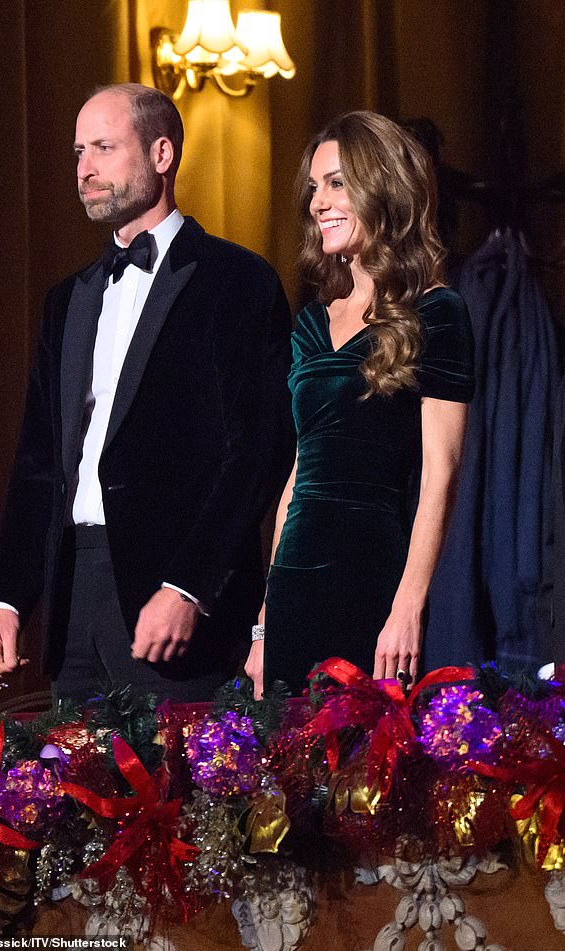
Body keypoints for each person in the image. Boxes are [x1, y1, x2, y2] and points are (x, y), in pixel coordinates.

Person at [0, 83, 293, 704]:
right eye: (77, 152)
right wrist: (8, 596)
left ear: (161, 154)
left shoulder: (237, 280)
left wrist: (189, 586)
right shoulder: (66, 299)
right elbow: (39, 463)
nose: (84, 169)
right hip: (74, 595)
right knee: (73, 793)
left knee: (186, 794)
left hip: (175, 600)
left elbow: (256, 451)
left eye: (102, 147)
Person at [245, 111, 475, 698]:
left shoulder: (437, 312)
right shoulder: (309, 325)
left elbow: (441, 473)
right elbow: (299, 476)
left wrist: (409, 606)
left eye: (338, 182)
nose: (318, 201)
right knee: (288, 781)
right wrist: (263, 626)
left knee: (365, 780)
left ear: (383, 188)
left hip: (373, 580)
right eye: (315, 186)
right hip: (294, 583)